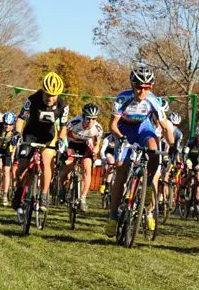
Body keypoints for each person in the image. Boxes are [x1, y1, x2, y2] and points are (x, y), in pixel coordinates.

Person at [105, 66, 174, 236]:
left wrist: (172, 145)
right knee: (121, 171)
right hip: (124, 130)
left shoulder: (153, 100)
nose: (142, 91)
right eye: (139, 87)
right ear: (132, 84)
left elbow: (165, 126)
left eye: (147, 87)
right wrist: (120, 137)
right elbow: (112, 125)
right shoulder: (123, 98)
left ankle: (149, 182)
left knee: (153, 146)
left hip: (143, 128)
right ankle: (113, 216)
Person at [12, 72, 69, 221]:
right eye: (48, 94)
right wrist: (17, 133)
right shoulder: (32, 100)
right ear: (43, 90)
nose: (50, 98)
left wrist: (61, 140)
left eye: (54, 95)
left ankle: (44, 194)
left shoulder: (63, 105)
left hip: (48, 137)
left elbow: (63, 127)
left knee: (46, 162)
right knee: (22, 167)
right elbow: (20, 119)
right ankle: (19, 191)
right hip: (30, 135)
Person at [61, 102, 104, 212]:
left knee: (87, 169)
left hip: (85, 145)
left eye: (94, 119)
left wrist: (95, 151)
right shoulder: (75, 122)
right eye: (88, 119)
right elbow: (63, 134)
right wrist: (64, 148)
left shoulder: (98, 129)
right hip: (71, 143)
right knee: (67, 167)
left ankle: (83, 198)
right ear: (83, 116)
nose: (91, 122)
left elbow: (97, 145)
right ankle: (63, 190)